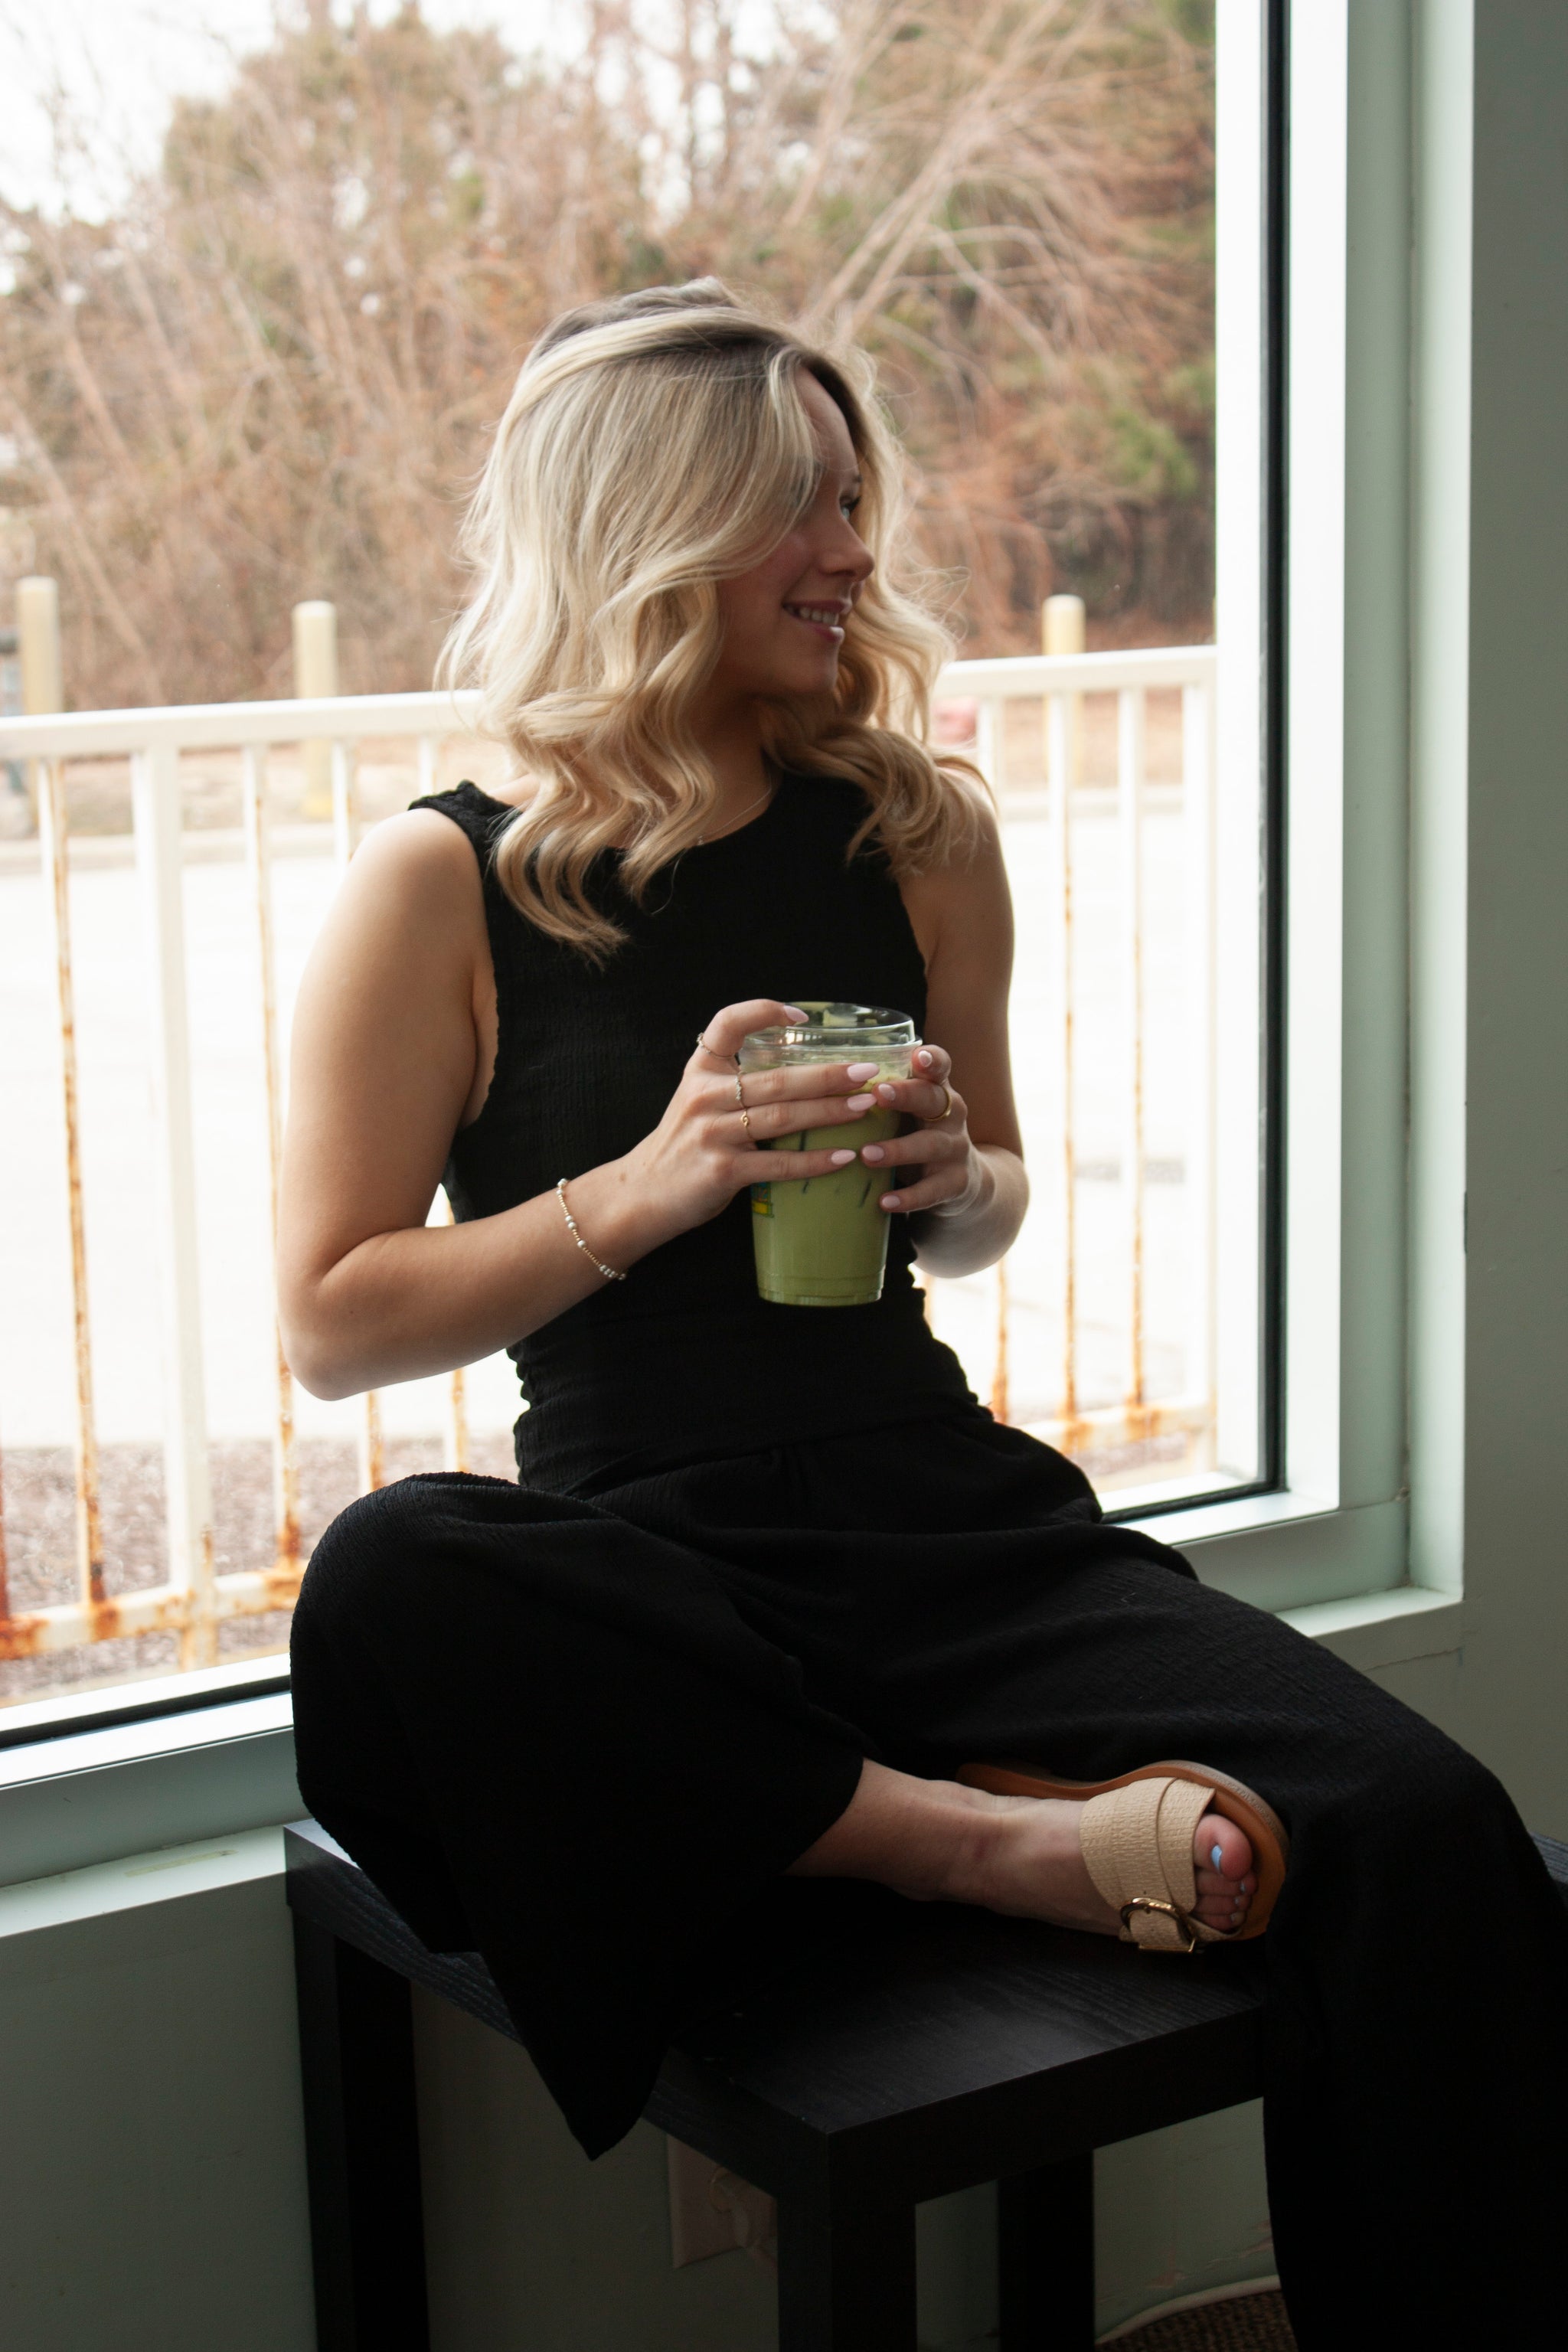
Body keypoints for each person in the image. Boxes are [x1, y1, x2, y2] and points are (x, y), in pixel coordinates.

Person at [283, 282, 1564, 2348]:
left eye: (855, 497)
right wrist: (649, 1184)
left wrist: (959, 1178)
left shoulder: (917, 829)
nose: (854, 551)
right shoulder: (450, 882)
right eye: (801, 505)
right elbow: (336, 1319)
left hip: (947, 1523)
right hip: (658, 1558)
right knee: (392, 1577)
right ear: (654, 528)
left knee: (1429, 1827)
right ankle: (961, 1842)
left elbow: (996, 1205)